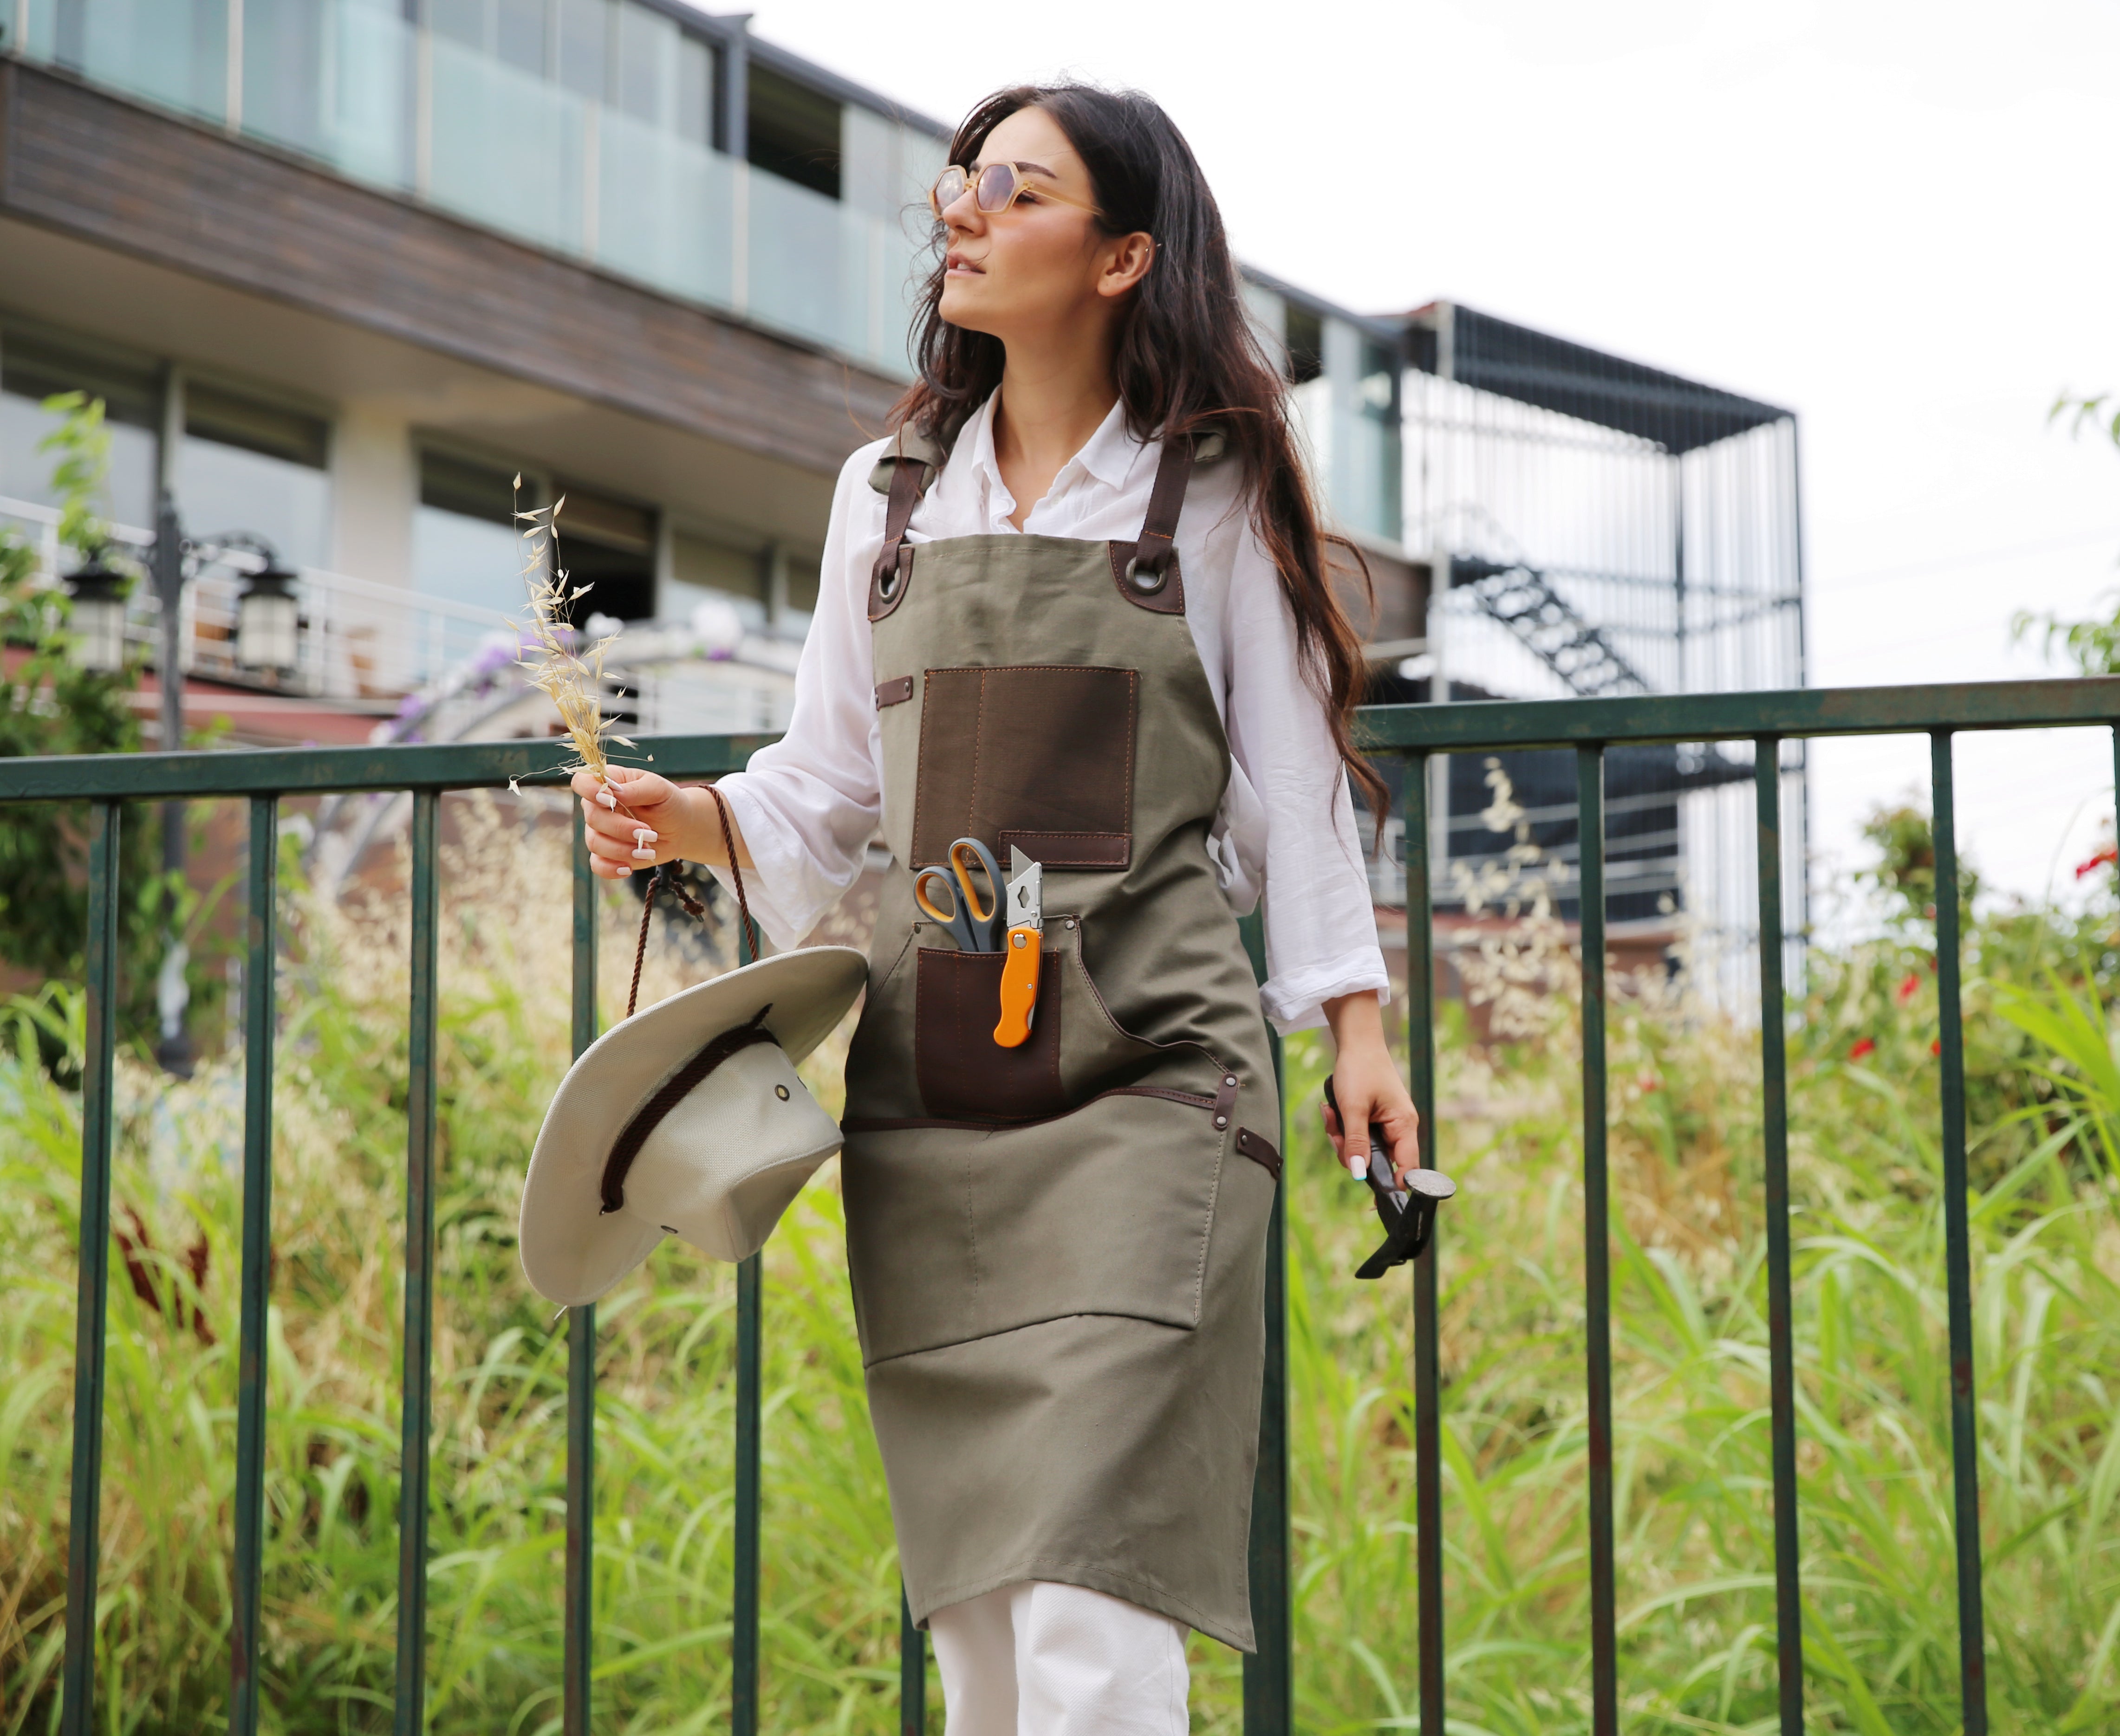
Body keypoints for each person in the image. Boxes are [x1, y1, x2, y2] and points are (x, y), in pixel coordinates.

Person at [573, 80, 1420, 1736]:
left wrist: (1356, 1025)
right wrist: (692, 816)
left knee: (1101, 1593)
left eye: (1014, 191)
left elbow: (1301, 778)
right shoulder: (881, 501)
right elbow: (824, 799)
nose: (960, 210)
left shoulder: (1212, 488)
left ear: (1120, 258)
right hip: (936, 1106)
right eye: (963, 182)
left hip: (1154, 1087)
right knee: (981, 1625)